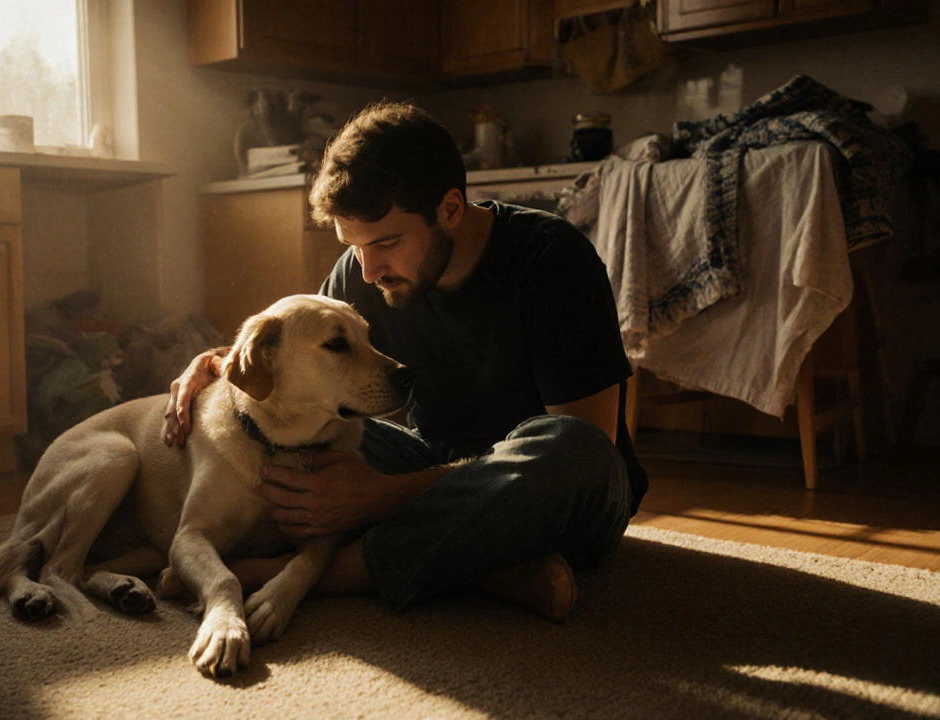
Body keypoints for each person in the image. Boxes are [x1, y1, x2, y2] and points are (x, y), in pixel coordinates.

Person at [162, 101, 647, 622]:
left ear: (450, 209)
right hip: (428, 466)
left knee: (576, 451)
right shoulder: (364, 270)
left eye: (387, 243)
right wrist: (219, 362)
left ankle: (333, 574)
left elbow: (589, 442)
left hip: (552, 496)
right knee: (308, 431)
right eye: (354, 246)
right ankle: (493, 570)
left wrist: (377, 498)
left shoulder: (554, 261)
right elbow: (300, 352)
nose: (368, 271)